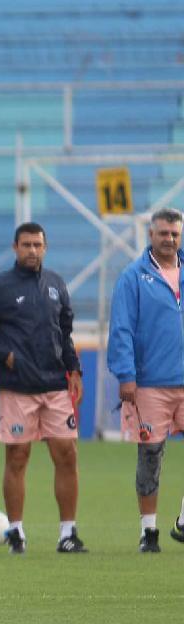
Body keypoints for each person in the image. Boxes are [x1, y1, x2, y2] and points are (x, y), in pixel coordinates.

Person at [0, 223, 85, 554]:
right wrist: (3, 355)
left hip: (55, 385)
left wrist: (74, 368)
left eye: (38, 245)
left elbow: (65, 331)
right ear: (14, 247)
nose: (33, 250)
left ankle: (68, 533)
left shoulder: (56, 284)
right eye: (27, 245)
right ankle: (16, 532)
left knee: (67, 454)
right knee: (18, 457)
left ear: (45, 248)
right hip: (17, 387)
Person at [106, 207, 184, 551]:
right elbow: (121, 328)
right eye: (164, 233)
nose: (169, 239)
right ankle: (148, 531)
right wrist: (126, 375)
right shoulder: (133, 276)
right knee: (151, 454)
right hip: (151, 382)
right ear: (150, 235)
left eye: (175, 234)